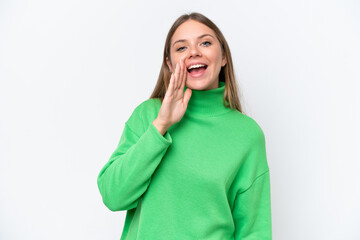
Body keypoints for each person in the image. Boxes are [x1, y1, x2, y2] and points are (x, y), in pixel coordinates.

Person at [97, 12, 272, 240]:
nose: (194, 52)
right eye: (181, 48)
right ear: (169, 64)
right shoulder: (148, 115)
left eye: (205, 43)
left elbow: (254, 230)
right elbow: (114, 196)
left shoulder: (247, 135)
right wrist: (161, 125)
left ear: (223, 57)